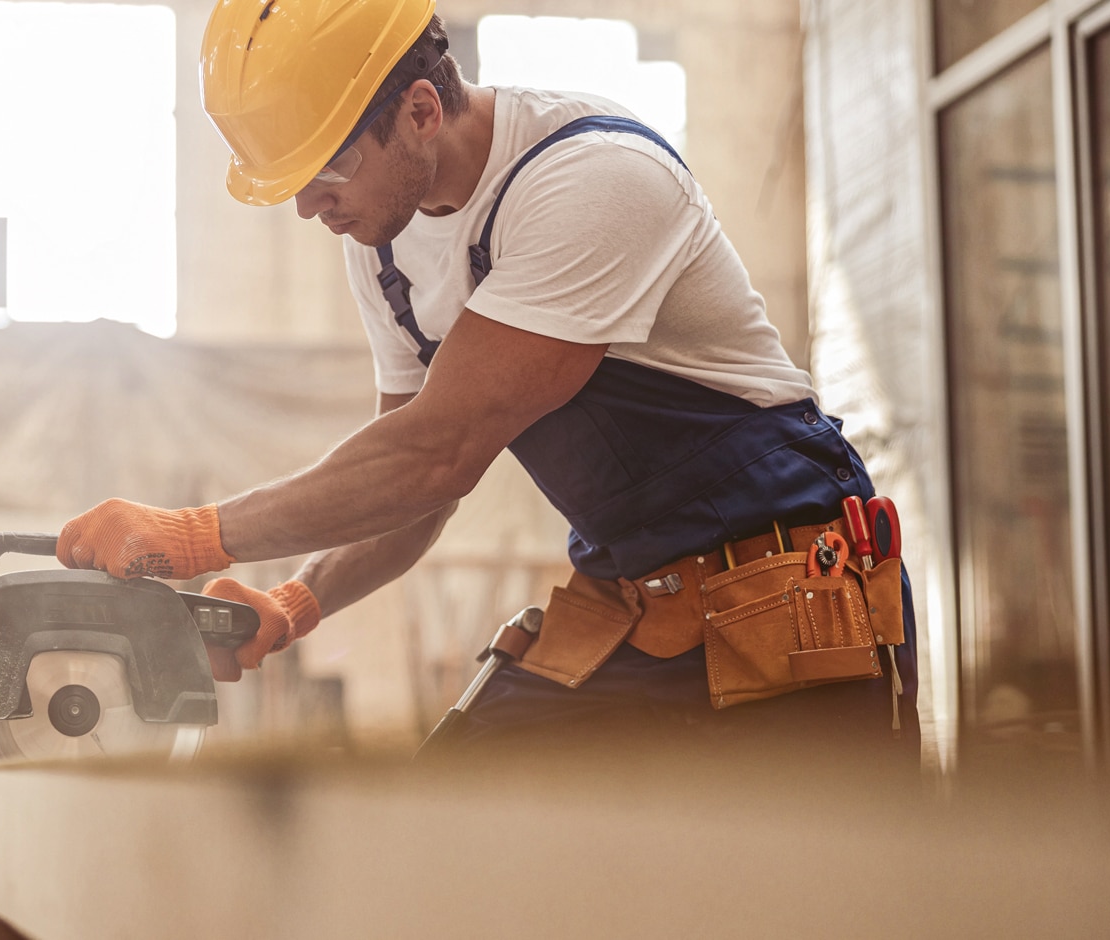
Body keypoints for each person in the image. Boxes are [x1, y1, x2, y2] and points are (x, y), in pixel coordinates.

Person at [57, 0, 917, 756]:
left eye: (325, 171)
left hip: (789, 594)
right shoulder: (382, 237)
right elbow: (408, 489)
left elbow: (436, 456)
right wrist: (295, 602)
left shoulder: (595, 179)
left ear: (422, 111)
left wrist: (194, 534)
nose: (308, 208)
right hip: (631, 606)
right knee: (445, 846)